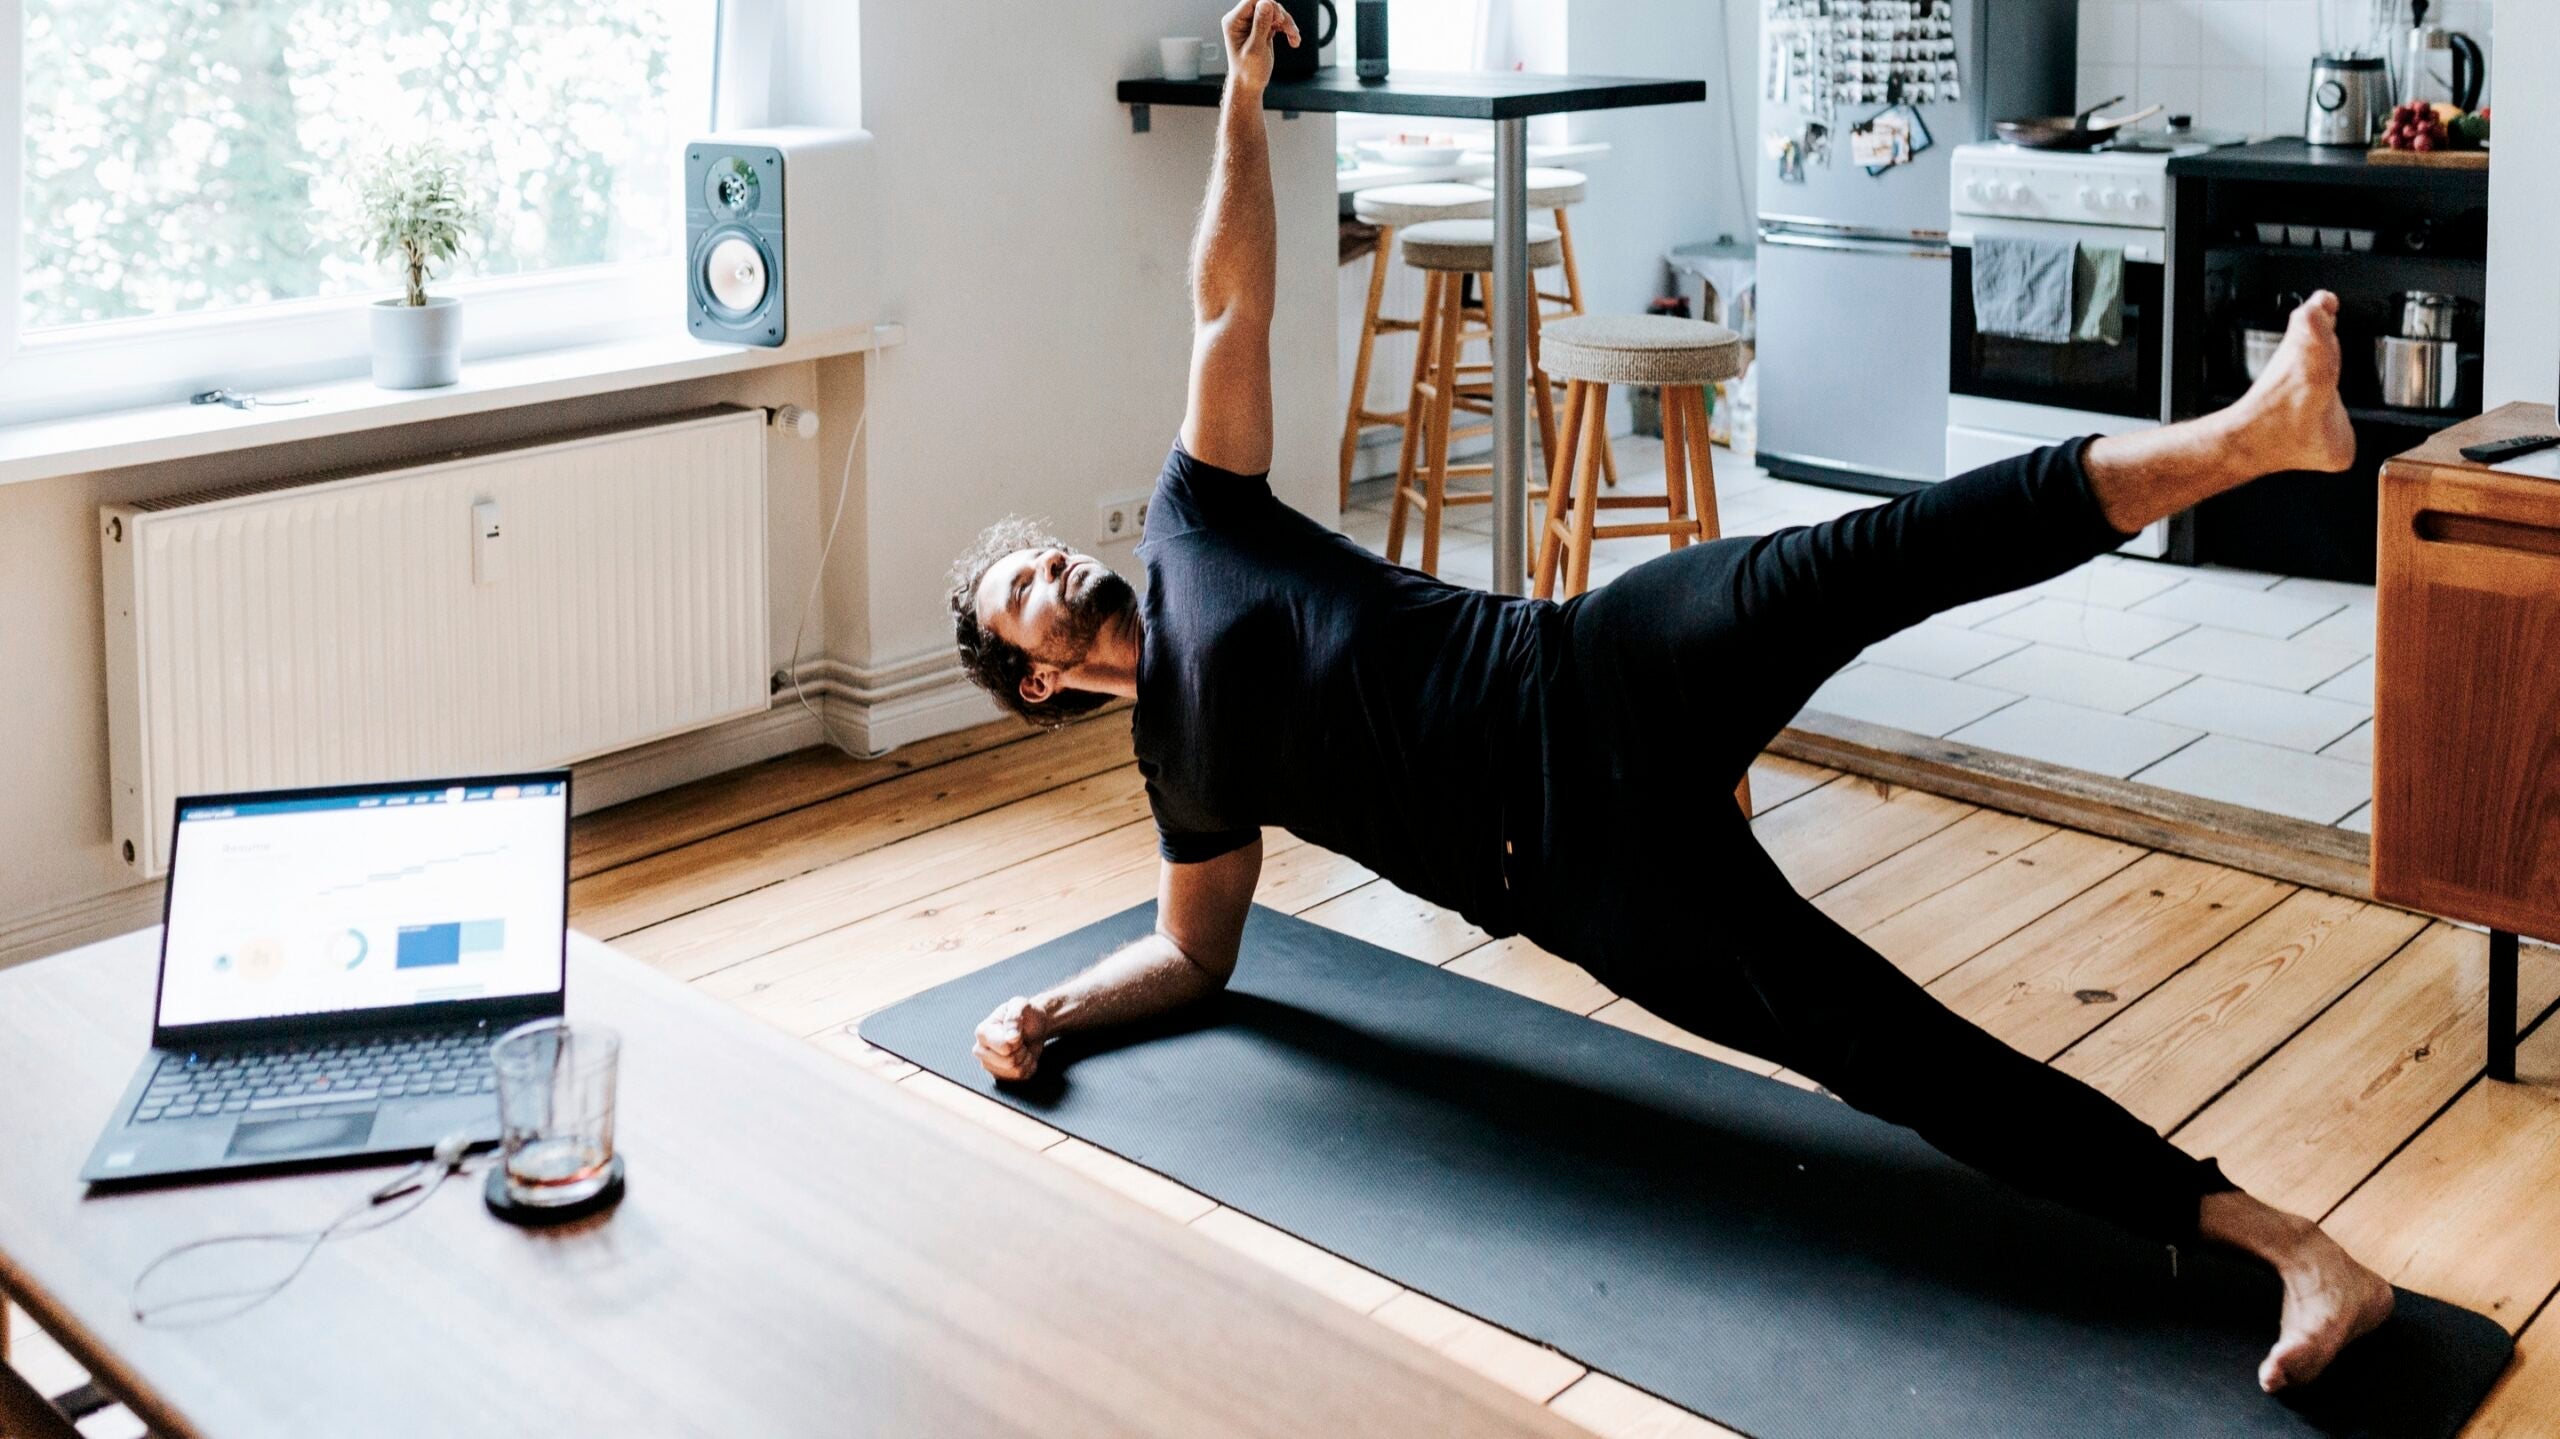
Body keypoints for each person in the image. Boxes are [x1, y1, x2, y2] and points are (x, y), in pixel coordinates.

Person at [945, 0, 2392, 1396]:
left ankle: (2251, 436)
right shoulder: (1178, 768)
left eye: (1042, 551)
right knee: (1882, 1050)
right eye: (1024, 587)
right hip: (1582, 879)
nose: (1055, 563)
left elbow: (1227, 301)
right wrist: (1053, 1009)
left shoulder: (1196, 521)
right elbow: (1195, 958)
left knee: (1877, 555)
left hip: (1587, 664)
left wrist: (1248, 101)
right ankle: (2289, 1247)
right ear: (1034, 676)